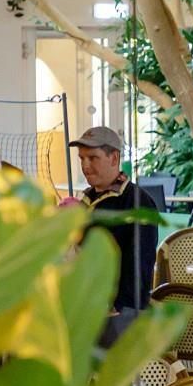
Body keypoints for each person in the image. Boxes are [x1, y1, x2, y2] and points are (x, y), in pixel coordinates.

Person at [63, 124, 154, 321]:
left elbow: (140, 264)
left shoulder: (136, 201)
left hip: (116, 313)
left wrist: (123, 309)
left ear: (114, 158)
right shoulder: (85, 200)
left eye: (92, 158)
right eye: (81, 158)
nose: (85, 166)